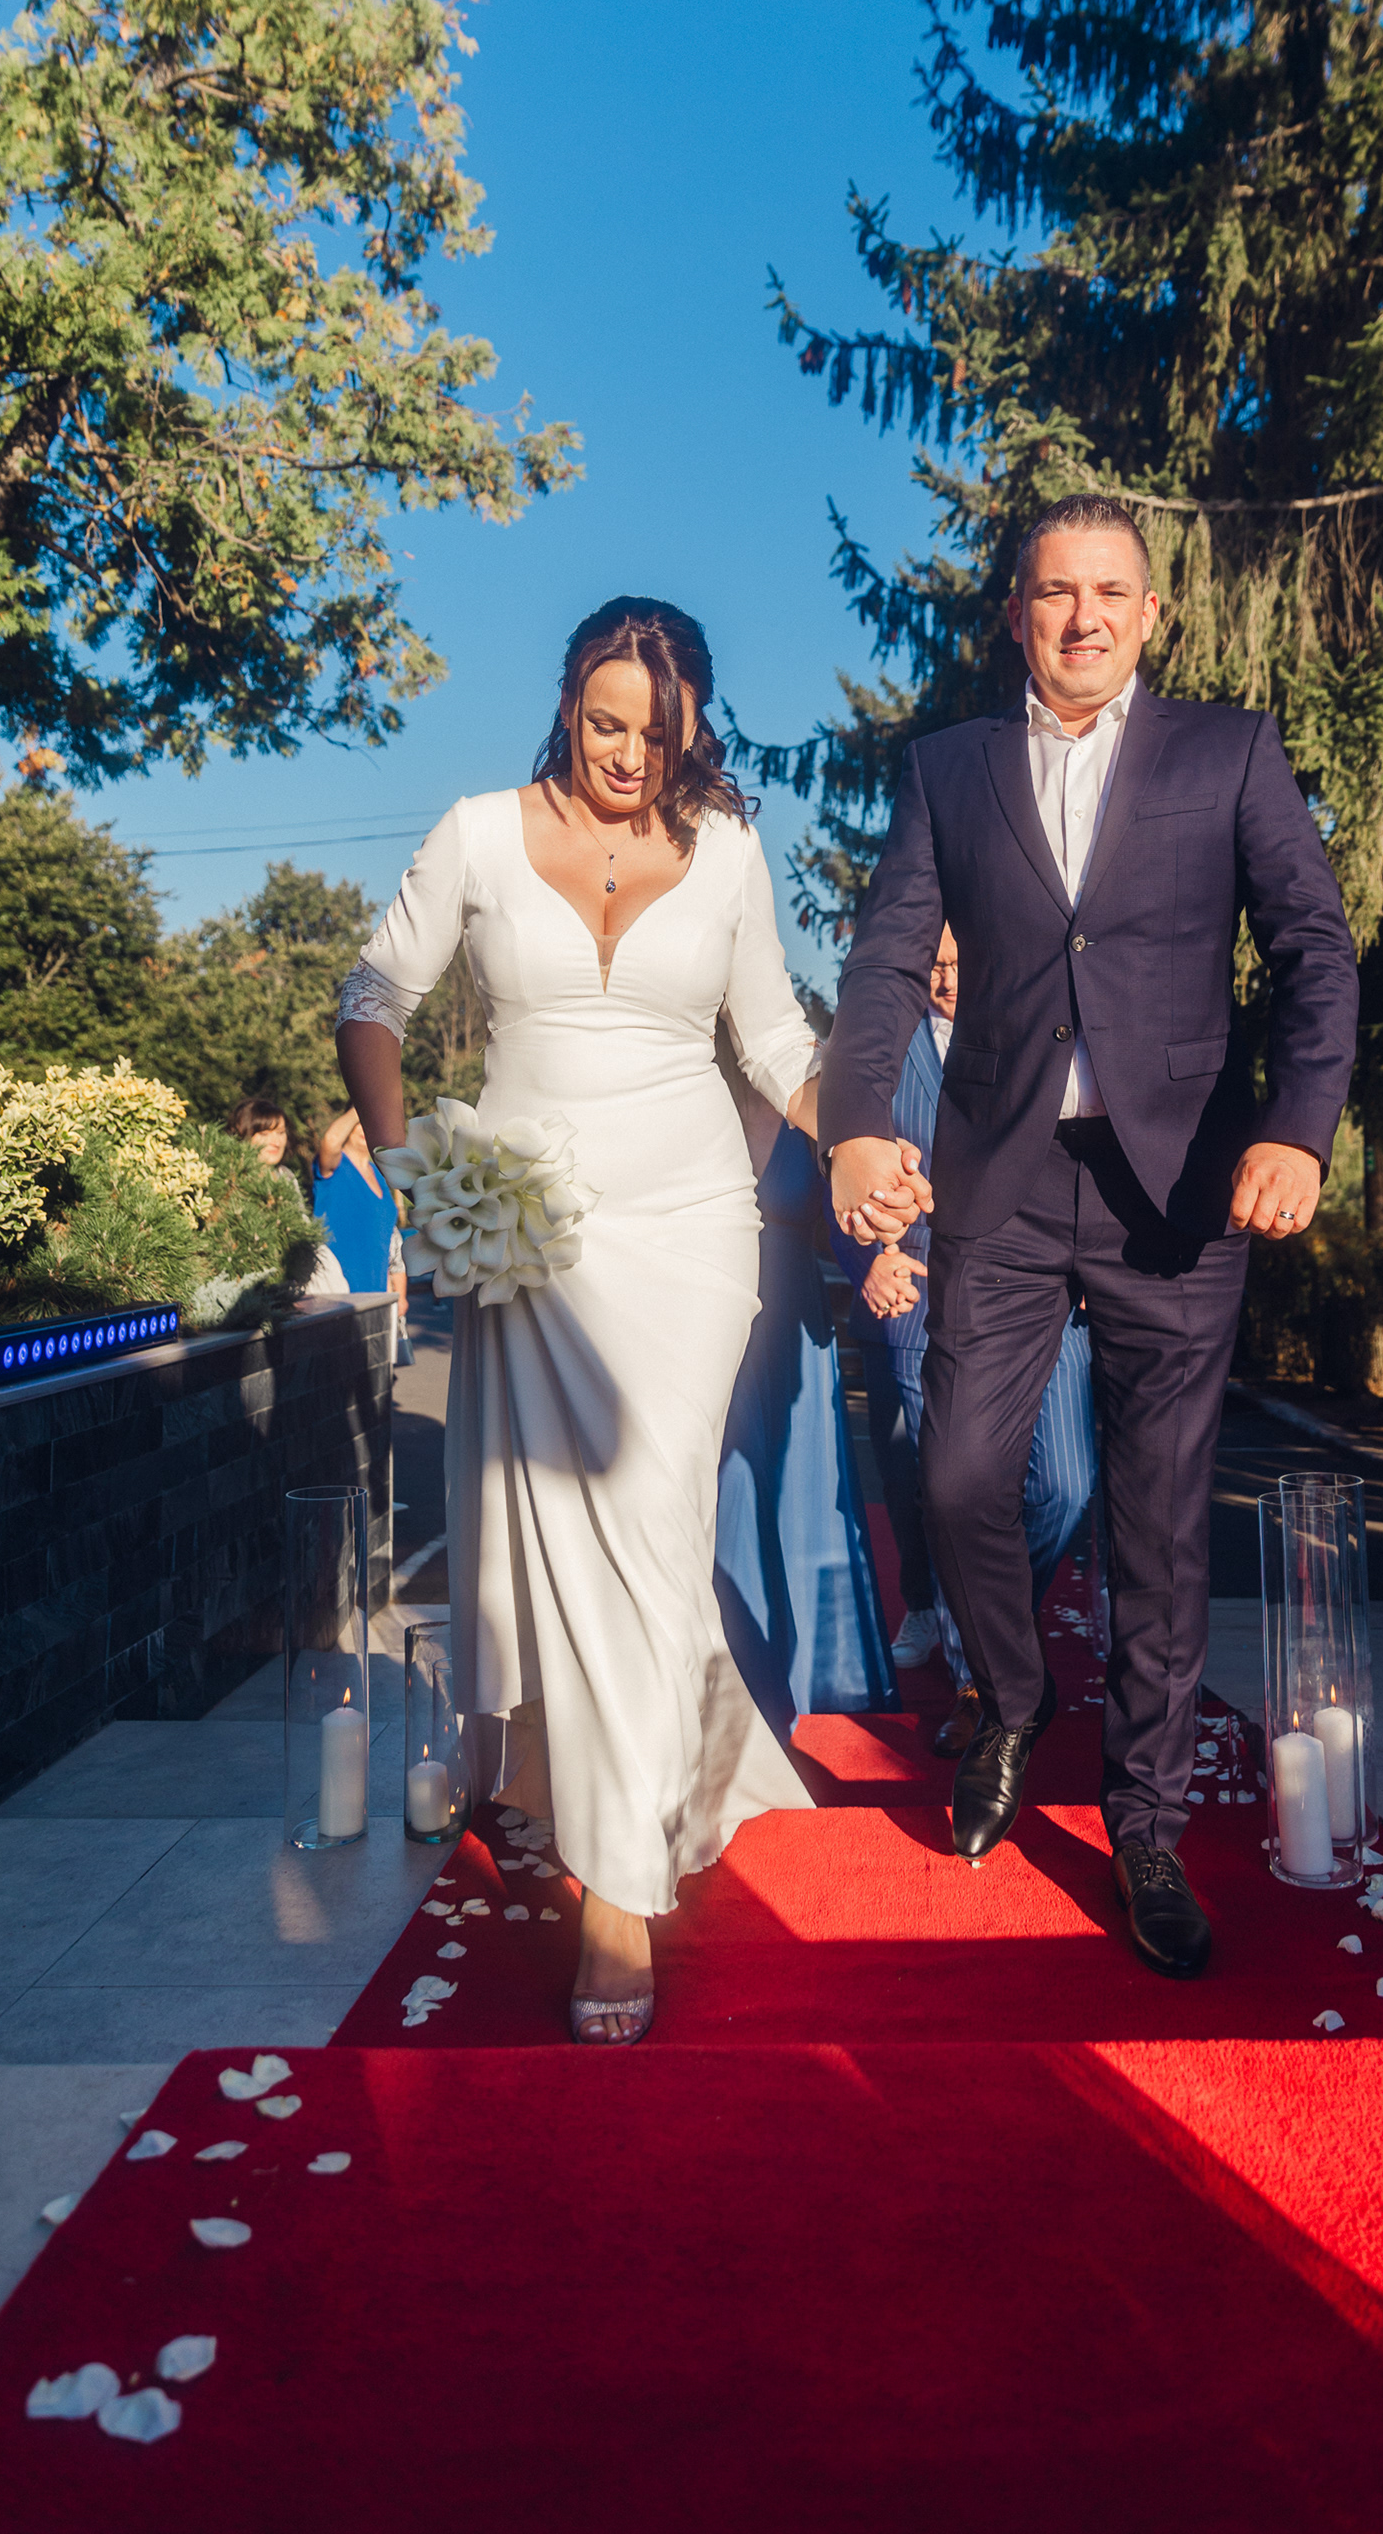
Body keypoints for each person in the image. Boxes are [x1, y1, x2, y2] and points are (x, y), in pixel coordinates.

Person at [819, 494, 1359, 1979]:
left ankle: (1147, 1828)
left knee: (1158, 1524)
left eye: (1110, 592)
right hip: (997, 1180)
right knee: (958, 1472)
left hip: (1176, 1191)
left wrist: (1298, 1127)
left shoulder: (1226, 753)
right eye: (1056, 592)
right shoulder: (948, 770)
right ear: (1017, 614)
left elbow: (1313, 947)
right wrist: (857, 1118)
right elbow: (886, 959)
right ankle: (1010, 1697)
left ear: (1150, 613)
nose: (1083, 617)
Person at [334, 598, 886, 2047]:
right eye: (604, 722)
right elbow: (374, 1000)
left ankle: (621, 1894)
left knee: (646, 1527)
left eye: (657, 728)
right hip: (524, 1234)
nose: (629, 753)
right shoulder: (476, 833)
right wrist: (406, 1168)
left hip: (691, 1234)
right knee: (558, 1543)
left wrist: (850, 1140)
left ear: (693, 723)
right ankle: (587, 1793)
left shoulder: (732, 853)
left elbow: (776, 1041)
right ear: (568, 707)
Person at [832, 921, 1097, 1757]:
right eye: (933, 965)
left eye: (959, 961)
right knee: (951, 1496)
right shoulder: (879, 1047)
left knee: (1066, 1487)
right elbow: (836, 1163)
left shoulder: (1041, 1025)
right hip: (920, 1296)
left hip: (1043, 1291)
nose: (946, 980)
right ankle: (980, 1684)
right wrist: (868, 1258)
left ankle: (996, 1623)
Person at [712, 1082, 897, 1731]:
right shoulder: (695, 1091)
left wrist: (874, 1265)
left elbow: (851, 1212)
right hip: (714, 1312)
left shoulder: (817, 1097)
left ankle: (823, 1672)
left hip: (792, 1317)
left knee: (806, 1488)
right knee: (731, 1490)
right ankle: (740, 1668)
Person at [312, 1104, 410, 1348]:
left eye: (370, 1123)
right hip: (336, 1299)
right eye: (359, 1122)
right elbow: (330, 1141)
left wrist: (400, 1293)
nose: (364, 1128)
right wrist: (363, 1102)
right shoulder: (334, 1167)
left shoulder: (380, 1175)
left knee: (375, 1370)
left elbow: (390, 1240)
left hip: (377, 1299)